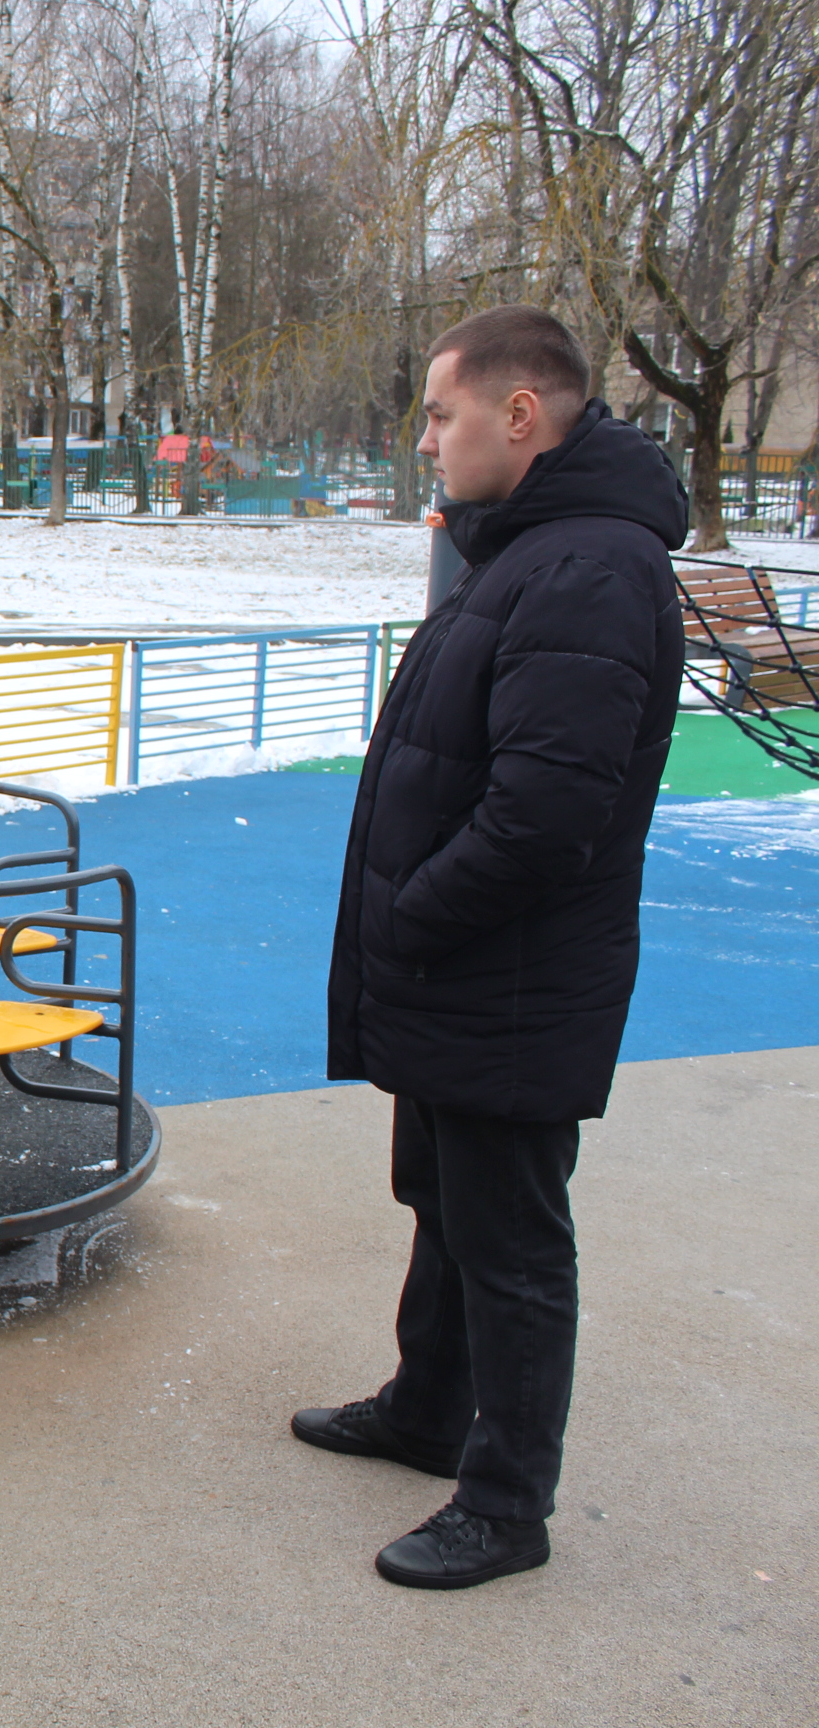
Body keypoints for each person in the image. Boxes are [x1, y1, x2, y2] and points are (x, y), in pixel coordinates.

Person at [296, 305, 685, 1589]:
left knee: (513, 1240)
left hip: (504, 974)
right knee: (445, 1206)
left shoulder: (586, 567)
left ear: (520, 416)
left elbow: (547, 811)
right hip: (465, 971)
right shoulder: (533, 548)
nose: (426, 441)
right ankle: (427, 1408)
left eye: (441, 414)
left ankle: (506, 1503)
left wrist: (418, 911)